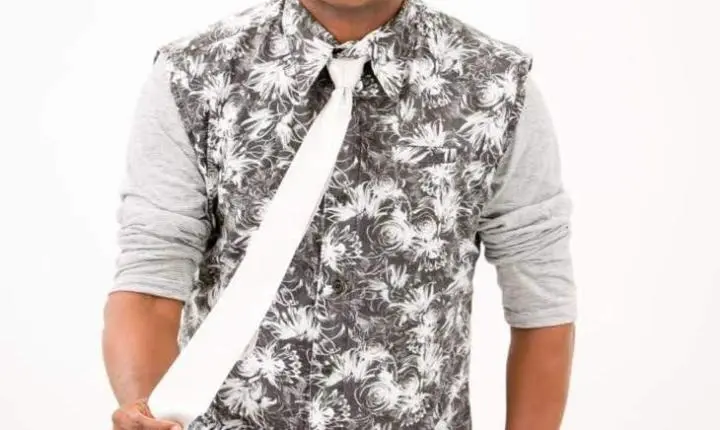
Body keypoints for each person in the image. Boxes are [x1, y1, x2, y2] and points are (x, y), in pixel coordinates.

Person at [103, 0, 577, 428]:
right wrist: (148, 413)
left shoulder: (496, 86)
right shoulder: (194, 75)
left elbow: (540, 301)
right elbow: (151, 279)